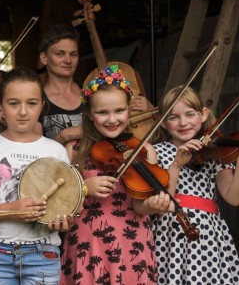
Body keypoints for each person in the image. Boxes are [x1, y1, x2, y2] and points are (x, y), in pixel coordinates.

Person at [60, 65, 173, 285]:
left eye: (119, 111)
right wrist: (84, 188)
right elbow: (61, 203)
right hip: (88, 243)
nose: (112, 119)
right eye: (102, 112)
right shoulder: (74, 149)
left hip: (131, 245)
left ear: (129, 110)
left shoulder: (145, 150)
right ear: (90, 115)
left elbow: (140, 206)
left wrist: (154, 205)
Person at [0, 67, 73, 284]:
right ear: (0, 105)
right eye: (14, 103)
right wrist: (12, 210)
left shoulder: (55, 150)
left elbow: (66, 207)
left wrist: (63, 222)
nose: (23, 111)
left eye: (32, 103)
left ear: (42, 105)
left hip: (43, 254)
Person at [151, 86, 239, 284]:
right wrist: (176, 165)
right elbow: (160, 204)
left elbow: (234, 197)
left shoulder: (215, 153)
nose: (183, 123)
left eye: (190, 114)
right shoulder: (156, 152)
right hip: (169, 235)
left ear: (203, 115)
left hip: (208, 238)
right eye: (173, 117)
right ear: (162, 121)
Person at [37, 24, 84, 145]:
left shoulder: (90, 94)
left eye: (73, 54)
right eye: (60, 54)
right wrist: (63, 136)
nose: (68, 60)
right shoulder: (37, 101)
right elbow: (34, 153)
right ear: (44, 58)